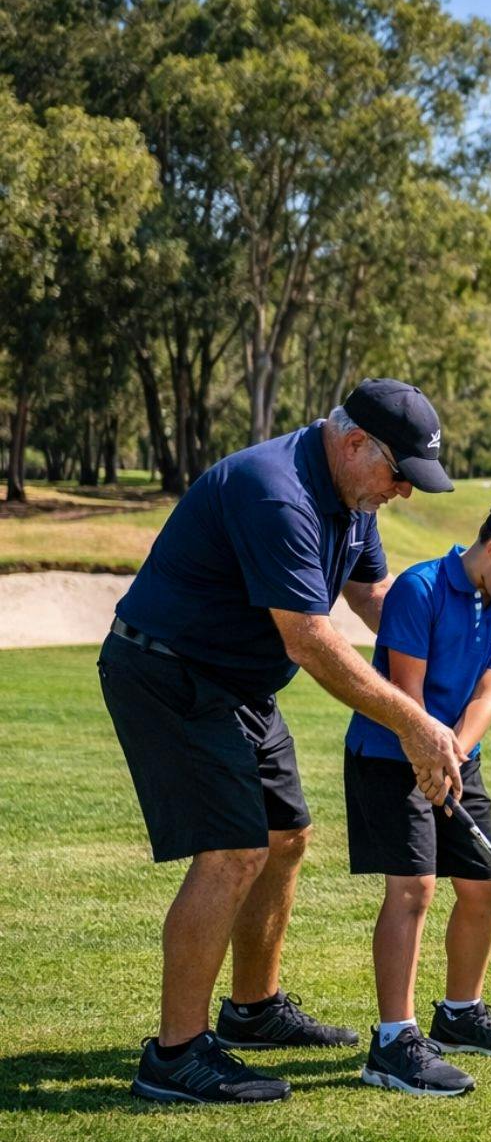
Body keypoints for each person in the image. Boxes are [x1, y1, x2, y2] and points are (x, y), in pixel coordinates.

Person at [99, 378, 460, 1104]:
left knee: (286, 835)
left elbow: (374, 599)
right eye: (399, 475)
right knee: (235, 850)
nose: (403, 493)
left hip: (238, 683)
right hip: (169, 671)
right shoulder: (278, 493)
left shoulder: (353, 494)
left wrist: (451, 633)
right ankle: (173, 1056)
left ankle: (252, 1011)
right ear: (356, 444)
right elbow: (311, 641)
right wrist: (413, 723)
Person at [344, 495, 491, 1096]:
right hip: (390, 752)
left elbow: (487, 695)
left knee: (485, 885)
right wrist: (428, 752)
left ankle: (460, 1014)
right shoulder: (418, 590)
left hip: (456, 756)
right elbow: (406, 691)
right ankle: (393, 1042)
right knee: (413, 888)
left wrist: (454, 754)